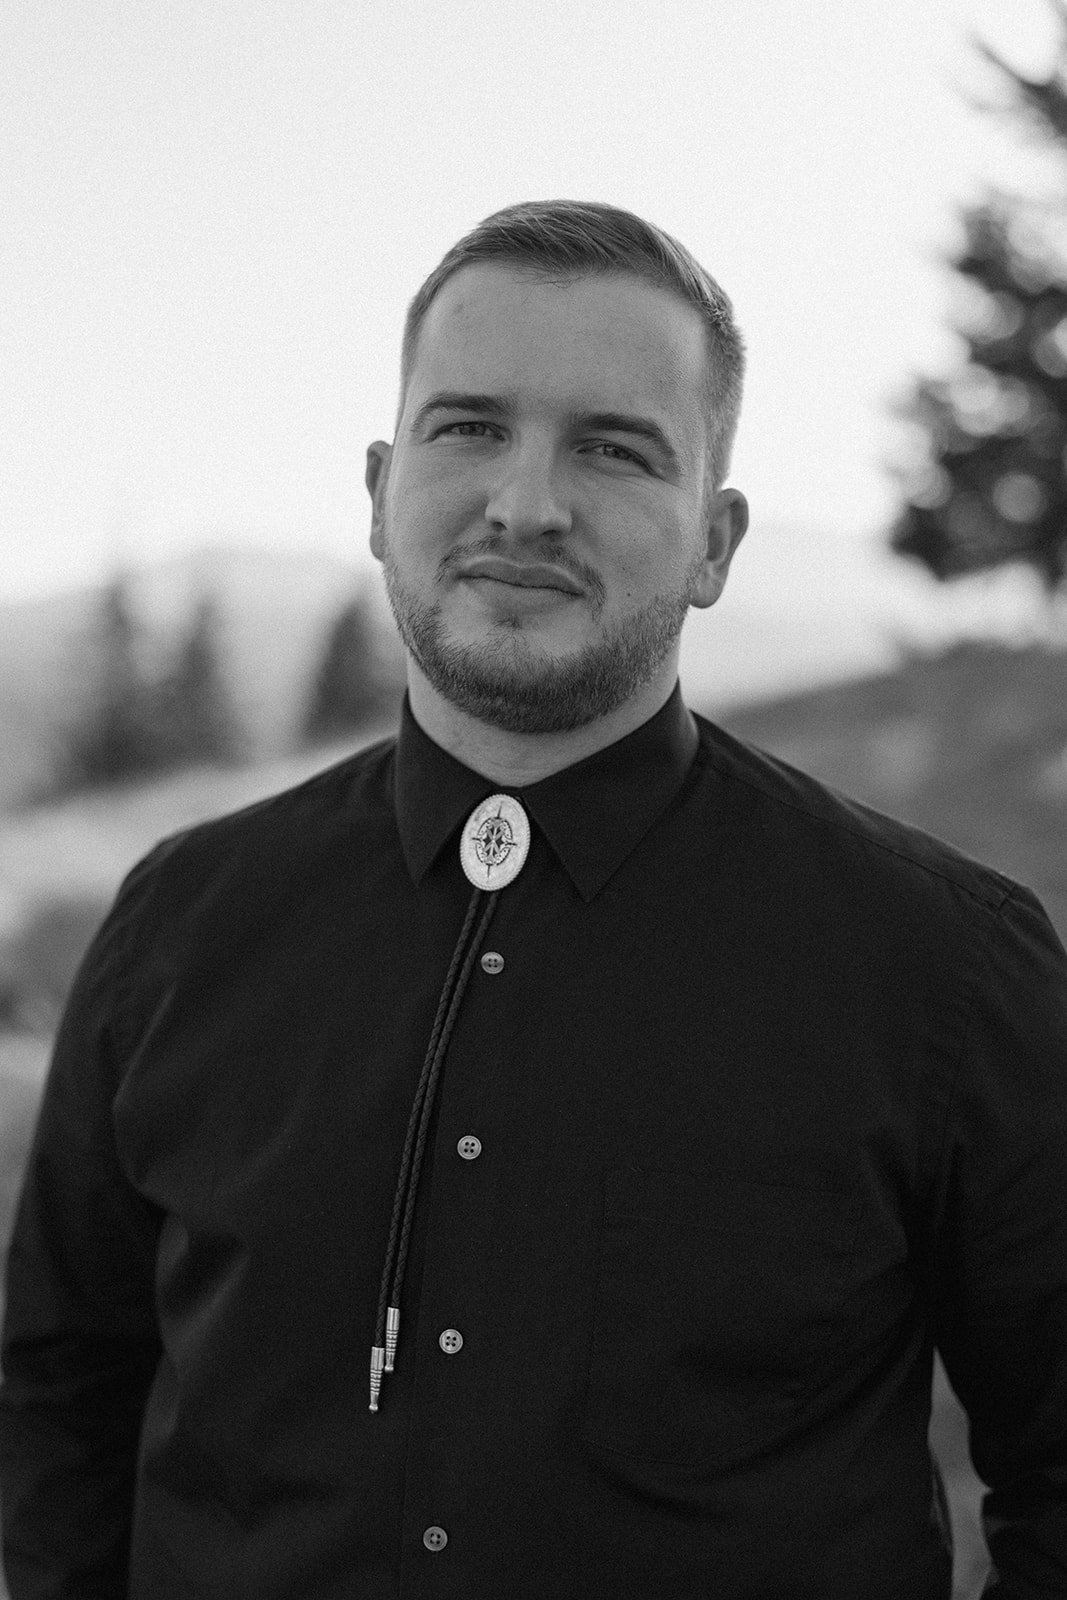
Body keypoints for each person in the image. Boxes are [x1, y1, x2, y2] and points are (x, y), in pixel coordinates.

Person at [2, 199, 1067, 1600]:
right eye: (469, 428)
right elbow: (61, 1410)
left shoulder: (946, 968)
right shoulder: (179, 923)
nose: (526, 503)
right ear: (382, 489)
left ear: (715, 541)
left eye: (614, 449)